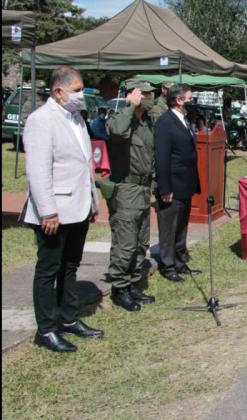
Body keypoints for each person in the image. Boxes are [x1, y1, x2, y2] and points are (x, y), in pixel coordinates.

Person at [21, 66, 103, 353]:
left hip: (78, 207)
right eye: (77, 89)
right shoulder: (41, 120)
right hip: (54, 211)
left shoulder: (76, 118)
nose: (81, 95)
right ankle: (46, 328)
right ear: (59, 91)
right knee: (48, 269)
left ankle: (68, 318)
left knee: (70, 266)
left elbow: (85, 165)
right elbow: (38, 170)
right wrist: (48, 212)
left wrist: (91, 201)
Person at [104, 80, 158, 312]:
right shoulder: (119, 118)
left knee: (140, 242)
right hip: (125, 190)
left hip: (143, 189)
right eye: (145, 93)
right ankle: (119, 288)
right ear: (133, 94)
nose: (150, 97)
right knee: (125, 244)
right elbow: (116, 131)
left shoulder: (146, 123)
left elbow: (151, 155)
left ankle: (133, 283)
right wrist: (129, 106)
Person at [154, 84, 201, 282]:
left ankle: (180, 261)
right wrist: (165, 188)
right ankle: (168, 265)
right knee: (169, 227)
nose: (193, 101)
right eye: (190, 98)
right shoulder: (165, 122)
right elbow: (162, 158)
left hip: (185, 184)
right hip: (172, 185)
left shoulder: (183, 120)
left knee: (181, 226)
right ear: (179, 100)